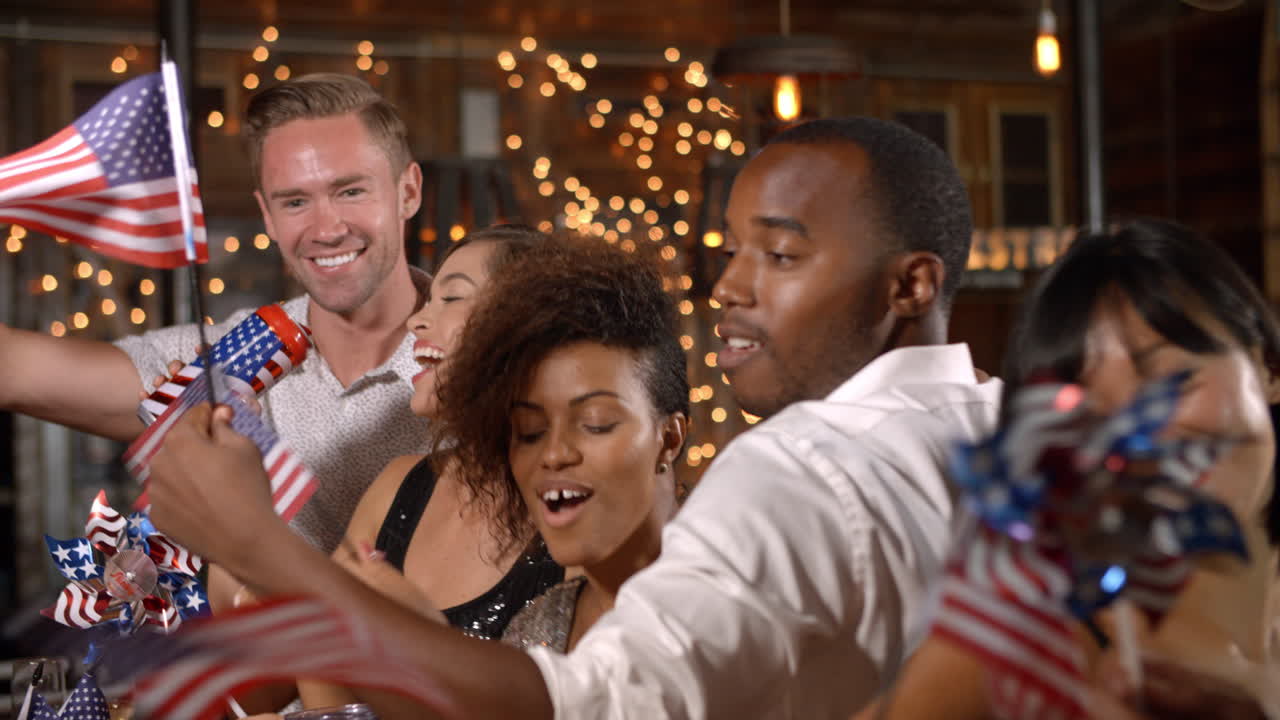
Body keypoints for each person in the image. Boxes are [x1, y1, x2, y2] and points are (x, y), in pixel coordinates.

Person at [147, 116, 1001, 718]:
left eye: (779, 255)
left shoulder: (795, 469)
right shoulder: (1017, 430)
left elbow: (585, 708)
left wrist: (258, 544)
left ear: (911, 286)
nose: (730, 289)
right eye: (731, 250)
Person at [856, 219, 1280, 720]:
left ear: (1267, 368)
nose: (1141, 438)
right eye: (1090, 413)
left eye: (1173, 381)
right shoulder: (1043, 642)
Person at [0, 73, 430, 553]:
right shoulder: (235, 357)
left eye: (350, 191)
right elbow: (12, 369)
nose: (325, 229)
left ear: (408, 192)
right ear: (267, 215)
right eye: (294, 201)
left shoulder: (482, 350)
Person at [294, 225, 565, 711]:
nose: (417, 321)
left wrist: (423, 636)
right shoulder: (397, 487)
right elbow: (320, 658)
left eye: (452, 298)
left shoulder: (575, 512)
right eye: (427, 301)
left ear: (531, 328)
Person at [417, 239, 690, 653]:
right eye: (529, 431)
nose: (554, 453)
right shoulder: (537, 624)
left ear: (669, 439)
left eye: (595, 424)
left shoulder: (741, 612)